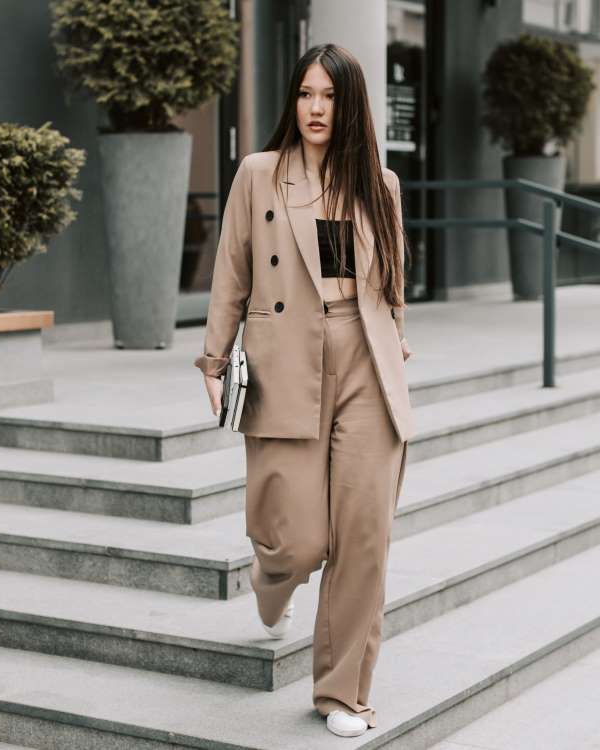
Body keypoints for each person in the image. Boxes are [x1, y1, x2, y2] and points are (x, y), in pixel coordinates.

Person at [194, 42, 414, 738]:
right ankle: (273, 580)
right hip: (286, 359)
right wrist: (211, 358)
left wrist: (395, 340)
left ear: (350, 105)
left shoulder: (380, 185)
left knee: (363, 536)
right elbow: (232, 268)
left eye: (329, 96)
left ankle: (343, 693)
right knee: (299, 542)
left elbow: (395, 288)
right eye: (305, 95)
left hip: (366, 365)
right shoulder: (261, 174)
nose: (316, 108)